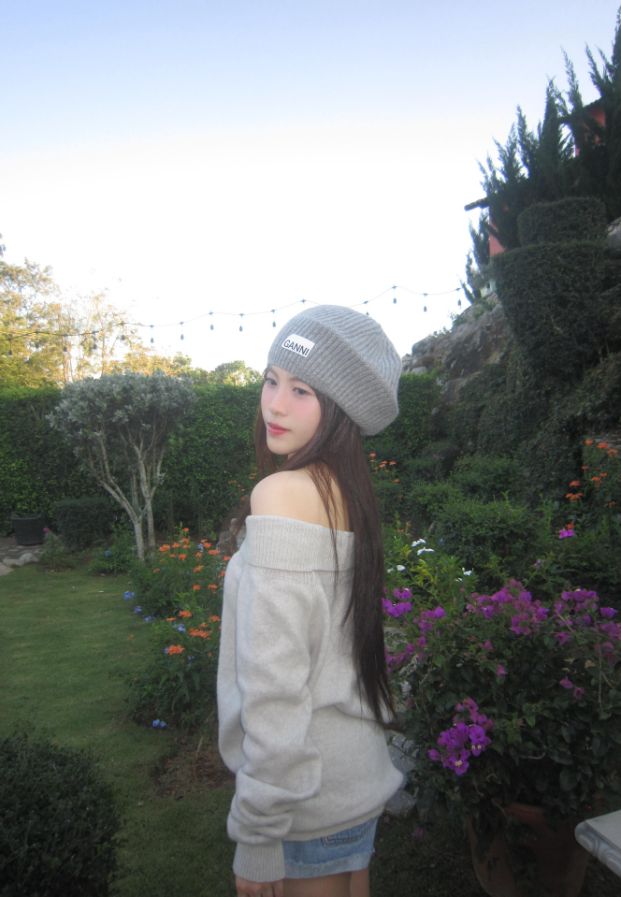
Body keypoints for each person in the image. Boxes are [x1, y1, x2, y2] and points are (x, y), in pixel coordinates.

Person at [217, 305, 404, 897]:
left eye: (301, 390)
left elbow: (274, 684)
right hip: (355, 778)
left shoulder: (281, 494)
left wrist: (258, 833)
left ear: (342, 410)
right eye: (271, 380)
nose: (274, 405)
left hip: (305, 800)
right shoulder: (348, 492)